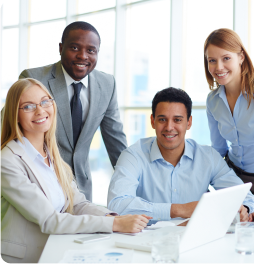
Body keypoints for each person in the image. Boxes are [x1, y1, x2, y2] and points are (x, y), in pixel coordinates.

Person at [0, 79, 150, 264]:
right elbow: (50, 220)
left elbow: (77, 204)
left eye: (45, 101)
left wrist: (113, 217)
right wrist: (115, 225)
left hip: (57, 249)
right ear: (15, 114)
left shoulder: (51, 154)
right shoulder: (7, 161)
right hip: (25, 258)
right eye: (28, 106)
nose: (40, 110)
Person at [0, 21, 127, 201]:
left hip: (81, 189)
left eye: (91, 50)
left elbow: (116, 142)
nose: (83, 56)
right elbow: (6, 127)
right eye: (74, 48)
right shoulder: (34, 78)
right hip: (37, 183)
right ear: (61, 48)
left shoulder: (107, 84)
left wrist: (132, 186)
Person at [108, 87, 254, 224]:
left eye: (177, 120)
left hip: (196, 241)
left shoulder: (208, 157)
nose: (169, 127)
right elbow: (117, 204)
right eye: (162, 119)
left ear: (189, 122)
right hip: (146, 241)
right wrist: (180, 209)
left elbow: (244, 196)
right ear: (152, 121)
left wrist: (244, 209)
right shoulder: (133, 156)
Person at [204, 28, 254, 213]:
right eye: (212, 60)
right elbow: (218, 150)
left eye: (226, 58)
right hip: (233, 177)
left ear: (241, 57)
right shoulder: (212, 101)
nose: (219, 67)